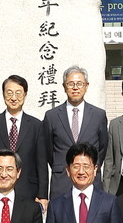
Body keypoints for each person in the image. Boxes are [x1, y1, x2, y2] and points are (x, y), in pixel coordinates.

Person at [0, 74, 49, 205]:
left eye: (18, 93)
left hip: (28, 191)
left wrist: (42, 194)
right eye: (9, 93)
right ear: (3, 94)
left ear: (25, 95)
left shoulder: (36, 125)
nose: (14, 98)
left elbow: (41, 163)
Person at [43, 66, 108, 199]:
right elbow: (49, 151)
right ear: (64, 86)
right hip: (61, 181)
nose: (75, 87)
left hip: (90, 180)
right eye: (70, 84)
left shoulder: (98, 115)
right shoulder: (52, 116)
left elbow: (102, 147)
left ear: (86, 86)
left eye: (79, 83)